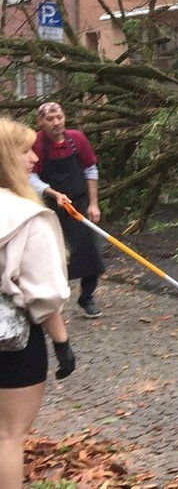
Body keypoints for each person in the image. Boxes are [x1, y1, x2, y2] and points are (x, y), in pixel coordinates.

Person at [0, 118, 75, 488]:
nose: (34, 158)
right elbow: (44, 293)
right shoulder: (26, 217)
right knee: (8, 437)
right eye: (25, 150)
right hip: (13, 345)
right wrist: (61, 342)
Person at [30, 102, 104, 318]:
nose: (56, 123)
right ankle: (51, 302)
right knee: (52, 254)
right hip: (49, 204)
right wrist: (54, 194)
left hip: (79, 202)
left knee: (90, 251)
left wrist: (93, 203)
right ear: (41, 121)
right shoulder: (36, 144)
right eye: (50, 119)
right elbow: (30, 177)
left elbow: (90, 169)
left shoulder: (77, 139)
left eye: (59, 117)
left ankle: (87, 297)